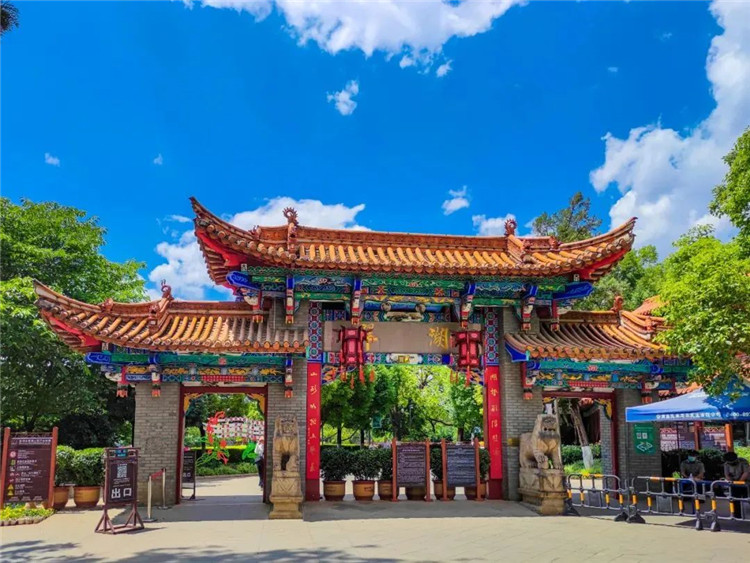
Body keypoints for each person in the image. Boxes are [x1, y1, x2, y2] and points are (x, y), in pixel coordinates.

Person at [723, 452, 750, 518]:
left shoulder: (743, 462)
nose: (731, 463)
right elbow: (727, 475)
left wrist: (739, 482)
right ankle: (737, 516)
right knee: (735, 500)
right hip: (734, 484)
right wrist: (731, 482)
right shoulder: (726, 464)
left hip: (745, 483)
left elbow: (746, 473)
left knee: (748, 498)